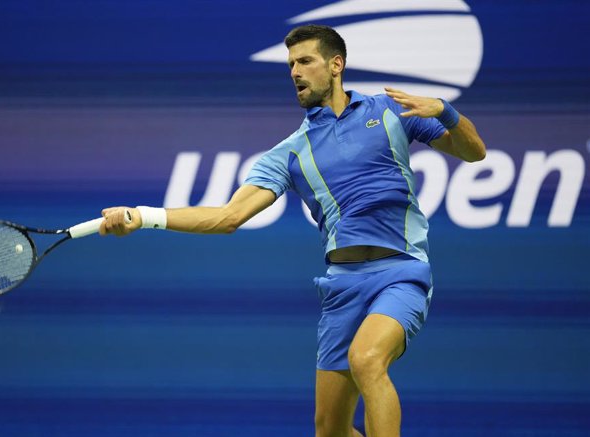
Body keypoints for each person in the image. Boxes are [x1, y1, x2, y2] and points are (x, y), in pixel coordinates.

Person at [100, 24, 486, 437]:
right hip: (342, 286)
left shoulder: (389, 111)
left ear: (336, 65)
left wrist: (446, 111)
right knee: (329, 429)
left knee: (367, 359)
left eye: (305, 61)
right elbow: (227, 217)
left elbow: (474, 151)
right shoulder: (289, 152)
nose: (294, 72)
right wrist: (144, 215)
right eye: (290, 65)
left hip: (401, 272)